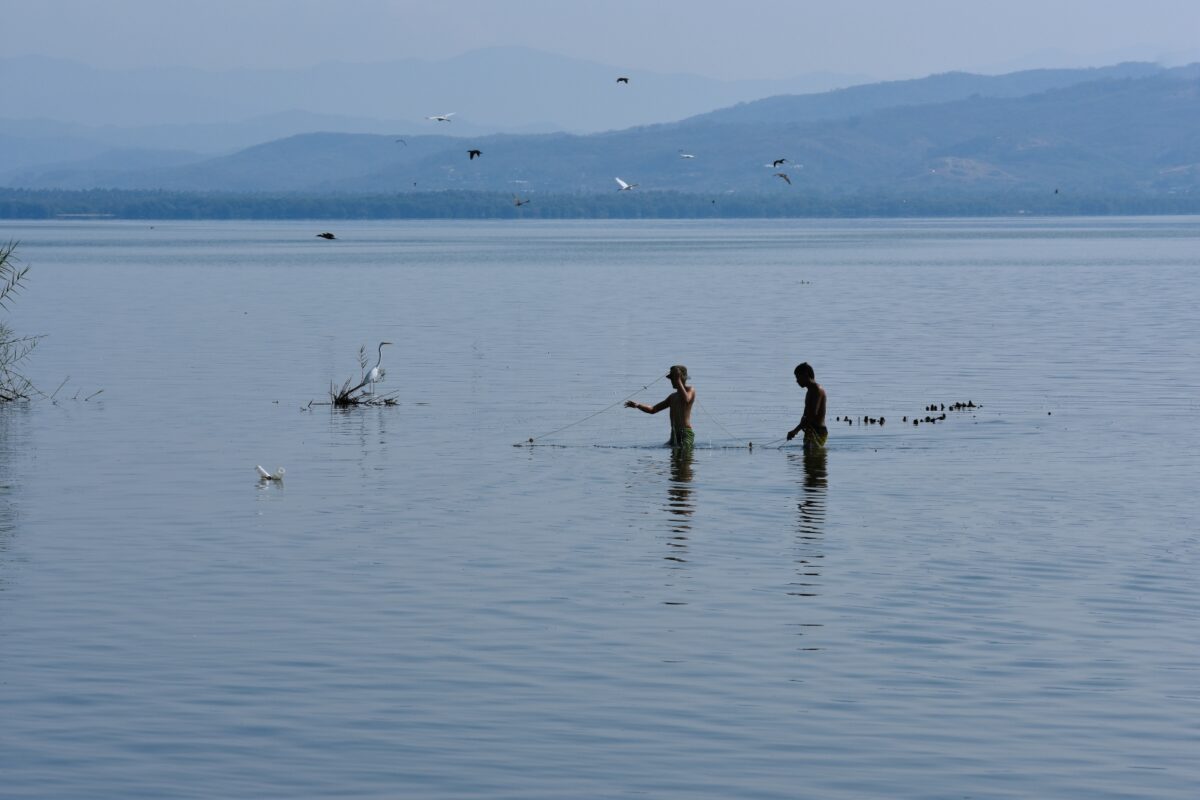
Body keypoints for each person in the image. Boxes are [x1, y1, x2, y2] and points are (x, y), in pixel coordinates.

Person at [625, 365, 696, 448]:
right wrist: (638, 405)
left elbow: (686, 400)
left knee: (685, 459)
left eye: (673, 379)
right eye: (672, 379)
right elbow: (653, 409)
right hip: (674, 434)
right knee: (673, 460)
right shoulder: (672, 397)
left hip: (685, 433)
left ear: (681, 378)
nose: (672, 381)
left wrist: (678, 380)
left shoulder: (690, 390)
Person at [787, 362, 828, 452]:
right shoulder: (810, 390)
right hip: (810, 430)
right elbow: (806, 414)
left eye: (798, 377)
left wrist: (795, 431)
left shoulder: (817, 390)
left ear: (805, 375)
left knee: (813, 458)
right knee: (808, 461)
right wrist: (801, 426)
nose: (797, 381)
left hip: (818, 431)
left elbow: (813, 414)